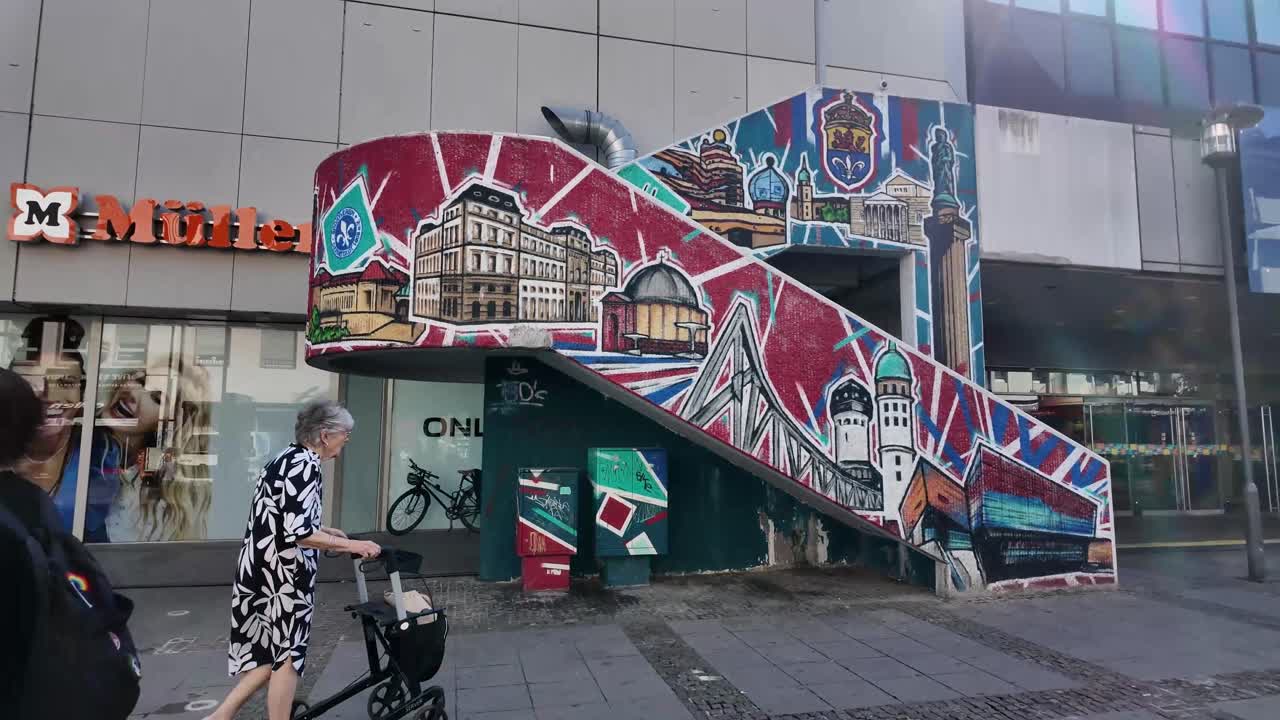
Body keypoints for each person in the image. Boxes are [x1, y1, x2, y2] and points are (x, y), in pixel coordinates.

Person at [203, 399, 380, 720]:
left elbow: (279, 515)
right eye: (345, 433)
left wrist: (325, 530)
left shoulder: (283, 459)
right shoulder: (308, 465)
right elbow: (299, 532)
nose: (347, 439)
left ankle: (220, 716)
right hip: (283, 576)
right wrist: (355, 545)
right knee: (287, 657)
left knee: (267, 655)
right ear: (325, 436)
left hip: (256, 566)